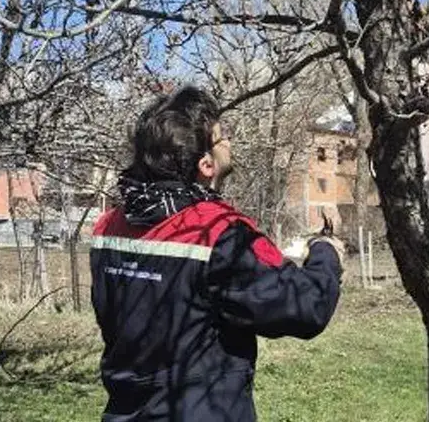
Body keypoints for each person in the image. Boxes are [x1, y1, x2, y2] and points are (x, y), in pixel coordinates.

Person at [91, 86, 344, 422]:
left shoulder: (109, 227)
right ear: (207, 164)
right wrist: (326, 251)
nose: (230, 144)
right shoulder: (218, 234)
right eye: (224, 138)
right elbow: (304, 306)